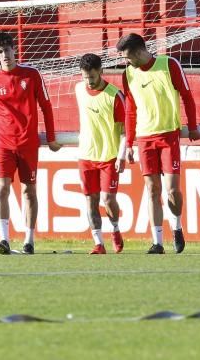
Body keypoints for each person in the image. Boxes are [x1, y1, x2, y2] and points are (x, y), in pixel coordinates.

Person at [118, 33, 200, 254]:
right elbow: (130, 109)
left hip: (168, 136)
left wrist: (192, 126)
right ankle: (157, 242)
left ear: (138, 51)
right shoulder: (128, 74)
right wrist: (129, 143)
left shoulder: (169, 64)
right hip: (144, 138)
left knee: (172, 191)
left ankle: (177, 226)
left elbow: (187, 96)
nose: (126, 61)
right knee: (152, 189)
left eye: (128, 57)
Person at [0, 32, 60, 255]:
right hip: (3, 145)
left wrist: (51, 137)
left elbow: (46, 105)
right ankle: (4, 240)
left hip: (27, 143)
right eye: (0, 51)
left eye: (7, 50)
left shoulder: (31, 74)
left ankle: (28, 240)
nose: (4, 55)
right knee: (1, 188)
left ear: (14, 50)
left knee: (29, 191)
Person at [75, 53, 127, 254]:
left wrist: (121, 155)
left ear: (101, 72)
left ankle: (115, 229)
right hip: (86, 155)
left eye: (92, 77)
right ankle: (98, 243)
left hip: (109, 157)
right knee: (90, 200)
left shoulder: (114, 96)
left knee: (107, 199)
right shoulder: (79, 89)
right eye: (85, 77)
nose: (88, 82)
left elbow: (124, 131)